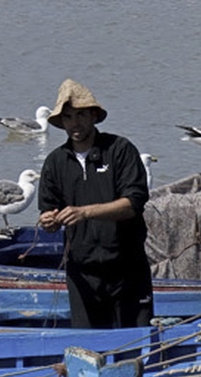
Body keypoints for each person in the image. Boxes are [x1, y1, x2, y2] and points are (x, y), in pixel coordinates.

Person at [35, 79, 152, 328]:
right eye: (67, 117)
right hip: (82, 272)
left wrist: (86, 212)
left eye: (80, 115)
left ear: (93, 116)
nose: (74, 123)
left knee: (136, 345)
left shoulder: (120, 149)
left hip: (127, 268)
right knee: (88, 350)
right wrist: (48, 222)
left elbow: (133, 204)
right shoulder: (55, 162)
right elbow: (49, 211)